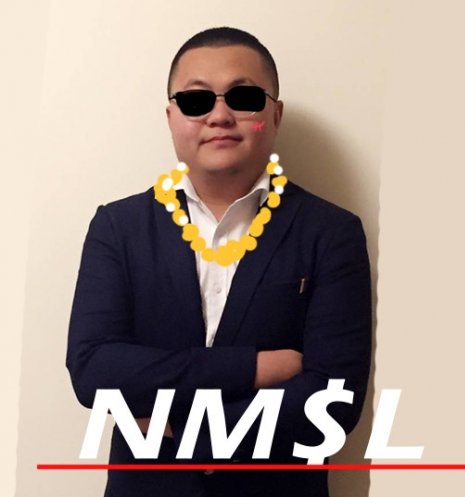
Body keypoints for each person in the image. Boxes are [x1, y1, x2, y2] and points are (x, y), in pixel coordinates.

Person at [67, 26, 371, 497]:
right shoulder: (118, 227)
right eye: (196, 100)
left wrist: (187, 430)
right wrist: (254, 368)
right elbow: (94, 371)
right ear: (172, 117)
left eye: (243, 97)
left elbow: (334, 402)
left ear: (275, 114)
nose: (220, 115)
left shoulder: (331, 232)